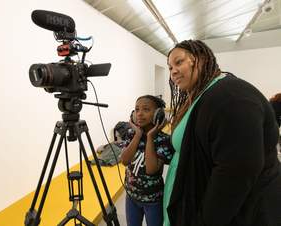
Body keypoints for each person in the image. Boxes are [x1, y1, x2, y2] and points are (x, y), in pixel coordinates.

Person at [164, 40, 281, 226]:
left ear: (201, 59)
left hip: (242, 213)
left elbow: (236, 173)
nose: (173, 71)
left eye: (179, 62)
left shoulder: (230, 96)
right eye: (170, 67)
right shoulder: (202, 95)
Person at [120, 95, 174, 226]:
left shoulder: (163, 140)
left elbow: (151, 169)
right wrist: (138, 135)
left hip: (153, 200)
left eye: (146, 109)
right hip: (131, 196)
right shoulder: (132, 134)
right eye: (137, 109)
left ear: (158, 114)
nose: (139, 114)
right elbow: (125, 161)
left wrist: (150, 137)